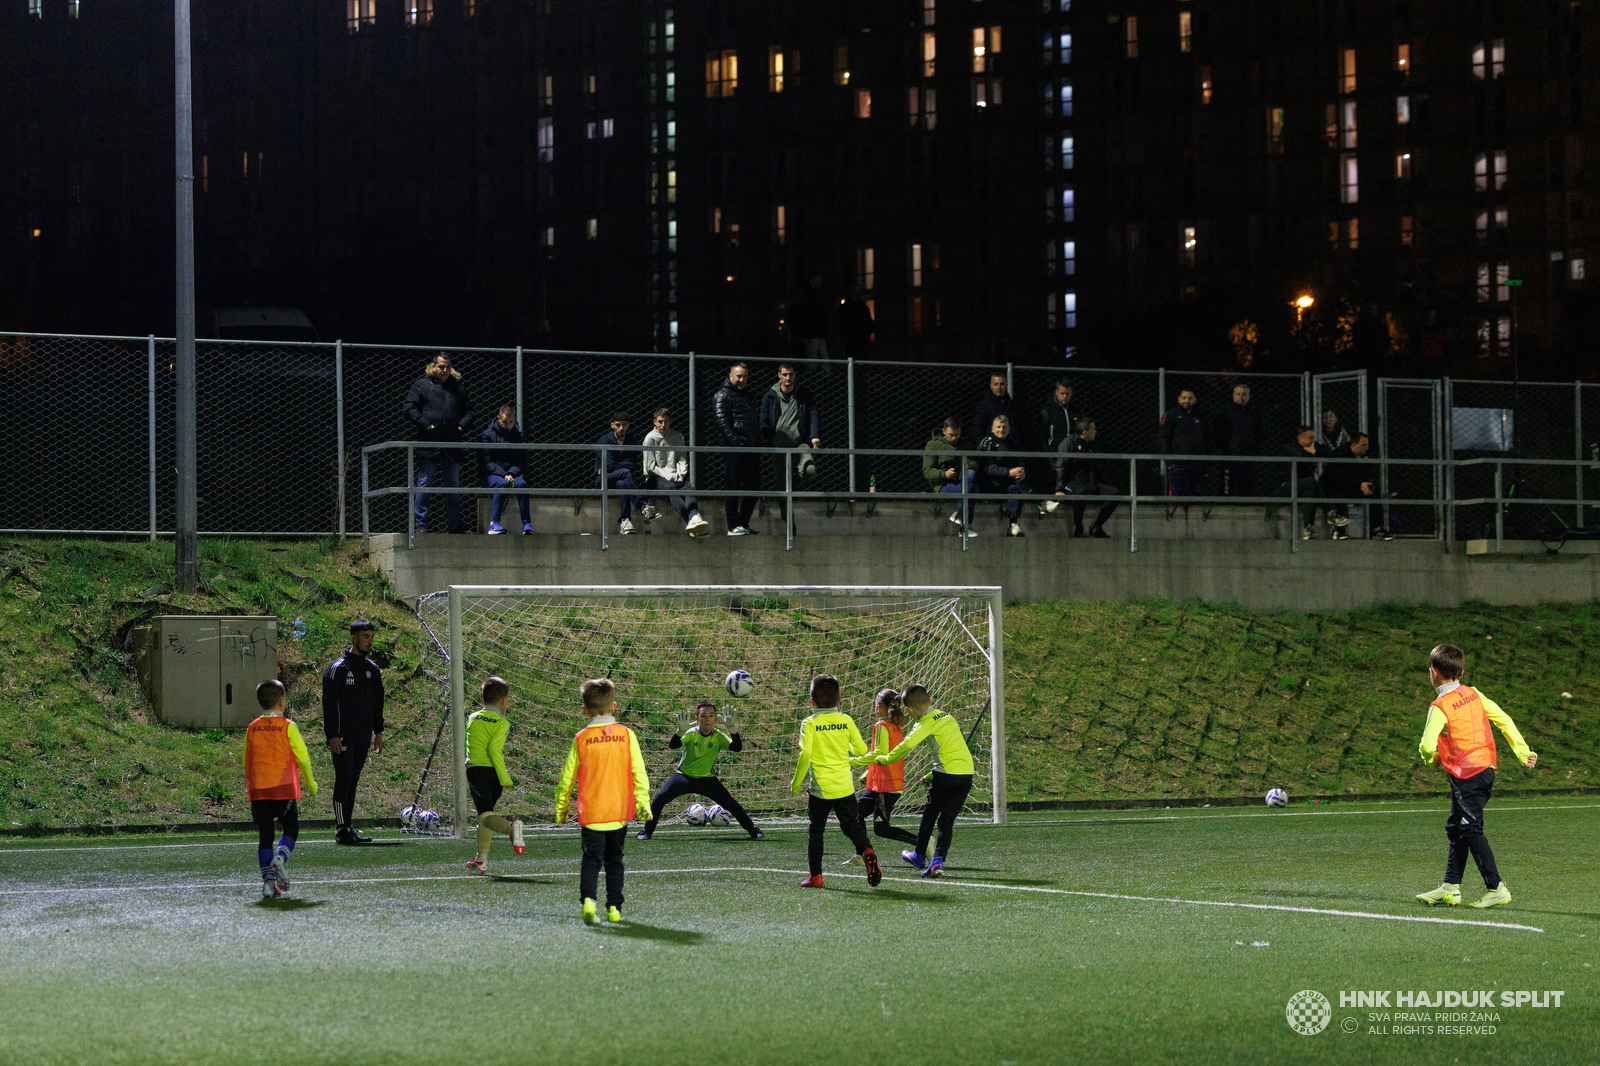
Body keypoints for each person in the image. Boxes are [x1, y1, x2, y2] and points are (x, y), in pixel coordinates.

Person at [1414, 643, 1537, 909]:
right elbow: (1502, 718)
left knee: (1469, 828)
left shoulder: (1440, 706)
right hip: (1486, 769)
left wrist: (1433, 759)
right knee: (1457, 826)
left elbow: (1425, 745)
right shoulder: (1474, 694)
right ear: (1460, 672)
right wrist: (1522, 751)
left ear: (1433, 672)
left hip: (1465, 775)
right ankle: (1450, 886)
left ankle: (1496, 887)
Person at [554, 677, 653, 925]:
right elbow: (639, 773)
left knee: (591, 860)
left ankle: (589, 902)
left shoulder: (581, 738)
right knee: (614, 861)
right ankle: (614, 909)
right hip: (618, 813)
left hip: (592, 814)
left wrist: (561, 808)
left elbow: (567, 777)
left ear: (585, 710)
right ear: (614, 706)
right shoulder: (627, 735)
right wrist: (644, 804)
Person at [853, 683, 974, 879]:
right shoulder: (947, 717)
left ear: (909, 709)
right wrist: (929, 775)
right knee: (946, 821)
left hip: (945, 775)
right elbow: (954, 749)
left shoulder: (924, 723)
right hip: (966, 775)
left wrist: (883, 759)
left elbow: (906, 745)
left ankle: (918, 856)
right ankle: (937, 862)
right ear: (931, 701)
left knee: (929, 814)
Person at [790, 674, 882, 889]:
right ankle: (867, 850)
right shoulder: (846, 720)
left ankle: (816, 877)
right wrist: (843, 753)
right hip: (844, 786)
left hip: (820, 788)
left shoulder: (809, 723)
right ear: (839, 699)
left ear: (812, 701)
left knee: (816, 831)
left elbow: (805, 754)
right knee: (851, 825)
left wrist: (796, 783)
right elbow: (861, 750)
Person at [637, 700, 763, 840]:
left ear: (715, 719)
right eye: (703, 716)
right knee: (659, 799)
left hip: (707, 779)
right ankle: (646, 831)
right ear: (696, 719)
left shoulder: (718, 736)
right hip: (684, 776)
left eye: (711, 716)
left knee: (730, 803)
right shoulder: (691, 733)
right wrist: (679, 732)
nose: (707, 719)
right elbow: (673, 745)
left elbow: (737, 747)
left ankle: (753, 830)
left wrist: (733, 730)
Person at [243, 679, 317, 899]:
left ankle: (268, 884)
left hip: (259, 791)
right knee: (291, 828)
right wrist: (310, 783)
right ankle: (280, 859)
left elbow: (246, 759)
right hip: (283, 788)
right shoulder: (288, 726)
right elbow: (302, 758)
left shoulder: (252, 728)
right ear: (282, 702)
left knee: (265, 836)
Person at [322, 619, 384, 844]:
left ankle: (348, 827)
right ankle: (341, 829)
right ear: (353, 639)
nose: (369, 641)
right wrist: (332, 735)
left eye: (371, 636)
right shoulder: (338, 668)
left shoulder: (372, 670)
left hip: (362, 737)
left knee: (353, 780)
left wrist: (378, 732)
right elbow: (329, 705)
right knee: (344, 779)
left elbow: (378, 704)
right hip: (343, 737)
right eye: (365, 637)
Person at [403, 352, 475, 533]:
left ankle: (455, 525)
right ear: (433, 366)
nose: (444, 370)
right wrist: (424, 424)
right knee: (425, 484)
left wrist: (460, 427)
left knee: (453, 486)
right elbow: (408, 407)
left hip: (452, 443)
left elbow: (470, 411)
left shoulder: (458, 387)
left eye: (447, 367)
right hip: (429, 442)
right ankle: (420, 524)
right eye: (441, 366)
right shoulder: (421, 385)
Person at [843, 688, 918, 860]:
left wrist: (851, 761)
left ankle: (922, 842)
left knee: (881, 828)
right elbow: (886, 755)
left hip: (886, 786)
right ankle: (862, 853)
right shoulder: (896, 727)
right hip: (880, 785)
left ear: (878, 707)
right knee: (856, 813)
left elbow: (879, 754)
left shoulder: (881, 726)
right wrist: (866, 774)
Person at [464, 676, 526, 875]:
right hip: (494, 776)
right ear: (504, 701)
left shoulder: (473, 717)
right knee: (486, 813)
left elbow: (491, 749)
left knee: (485, 815)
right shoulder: (503, 723)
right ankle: (481, 859)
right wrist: (504, 778)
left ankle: (512, 828)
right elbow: (496, 750)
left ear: (483, 700)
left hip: (477, 771)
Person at [640, 407, 711, 536]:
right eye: (660, 421)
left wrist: (680, 475)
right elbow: (650, 467)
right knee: (672, 488)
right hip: (655, 478)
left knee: (688, 487)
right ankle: (690, 520)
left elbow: (682, 459)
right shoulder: (650, 438)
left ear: (670, 421)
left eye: (666, 421)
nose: (663, 425)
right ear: (654, 422)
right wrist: (669, 477)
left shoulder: (677, 436)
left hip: (674, 476)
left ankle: (695, 516)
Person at [712, 361, 761, 535]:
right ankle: (733, 525)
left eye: (745, 376)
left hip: (750, 448)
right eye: (739, 376)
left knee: (754, 486)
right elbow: (721, 421)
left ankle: (743, 523)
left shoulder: (747, 395)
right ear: (730, 376)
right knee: (732, 485)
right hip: (733, 449)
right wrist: (737, 442)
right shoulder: (723, 395)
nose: (742, 379)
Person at [759, 362, 822, 490]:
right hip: (779, 446)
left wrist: (814, 436)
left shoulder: (803, 394)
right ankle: (785, 510)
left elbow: (814, 415)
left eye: (790, 374)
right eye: (785, 375)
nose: (788, 378)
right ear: (779, 375)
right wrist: (767, 436)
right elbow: (763, 417)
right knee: (782, 485)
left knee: (809, 469)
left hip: (799, 443)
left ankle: (795, 483)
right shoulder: (771, 396)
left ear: (795, 375)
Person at [1053, 417, 1118, 538]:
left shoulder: (1092, 445)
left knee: (1114, 493)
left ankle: (1096, 527)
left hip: (1088, 483)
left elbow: (1098, 467)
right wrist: (1059, 489)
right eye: (1093, 429)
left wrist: (1107, 484)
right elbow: (1060, 466)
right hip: (1071, 484)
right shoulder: (1069, 443)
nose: (1096, 432)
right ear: (1084, 432)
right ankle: (1078, 528)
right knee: (1080, 492)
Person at [595, 411, 656, 535]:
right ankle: (642, 505)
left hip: (620, 478)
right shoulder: (604, 441)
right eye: (618, 425)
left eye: (624, 425)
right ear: (612, 425)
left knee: (622, 483)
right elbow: (609, 464)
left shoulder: (632, 442)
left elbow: (631, 465)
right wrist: (617, 468)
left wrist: (614, 468)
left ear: (628, 425)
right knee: (625, 472)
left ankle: (625, 521)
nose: (621, 428)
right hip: (604, 479)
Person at [480, 404, 532, 535]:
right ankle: (494, 524)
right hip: (491, 476)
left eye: (511, 422)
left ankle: (526, 524)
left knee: (522, 485)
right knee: (501, 484)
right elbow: (486, 462)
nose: (508, 425)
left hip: (511, 478)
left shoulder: (518, 436)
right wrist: (503, 474)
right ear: (498, 418)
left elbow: (521, 461)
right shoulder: (487, 435)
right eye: (504, 422)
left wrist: (510, 473)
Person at [977, 415, 1032, 537]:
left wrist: (1022, 472)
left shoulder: (1013, 444)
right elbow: (987, 468)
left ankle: (1013, 525)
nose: (1001, 430)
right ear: (992, 428)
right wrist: (1009, 472)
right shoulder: (987, 443)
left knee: (1015, 486)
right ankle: (1035, 500)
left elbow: (1021, 463)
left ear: (1009, 429)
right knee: (1015, 484)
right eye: (998, 427)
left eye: (1004, 427)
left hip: (1008, 482)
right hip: (990, 482)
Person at [924, 416, 978, 533]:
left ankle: (960, 515)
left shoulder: (964, 444)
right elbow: (927, 471)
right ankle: (965, 527)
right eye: (951, 435)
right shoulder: (933, 445)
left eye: (957, 435)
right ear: (944, 431)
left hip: (961, 480)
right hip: (943, 485)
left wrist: (963, 467)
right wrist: (945, 474)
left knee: (971, 474)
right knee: (973, 490)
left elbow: (973, 464)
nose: (954, 438)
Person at [1320, 432, 1377, 540]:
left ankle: (1377, 529)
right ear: (1354, 445)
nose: (1367, 447)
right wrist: (1359, 484)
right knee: (1340, 492)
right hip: (1333, 486)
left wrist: (1368, 484)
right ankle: (1339, 530)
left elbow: (1371, 472)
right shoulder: (1342, 453)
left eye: (1367, 444)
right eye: (1364, 445)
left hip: (1355, 485)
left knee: (1374, 493)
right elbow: (1340, 476)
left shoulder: (1367, 455)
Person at [1276, 426, 1328, 540]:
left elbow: (1328, 452)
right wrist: (1314, 455)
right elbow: (1301, 455)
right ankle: (1329, 510)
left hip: (1303, 487)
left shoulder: (1311, 447)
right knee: (1311, 481)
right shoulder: (1289, 447)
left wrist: (1315, 452)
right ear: (1300, 438)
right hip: (1286, 485)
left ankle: (1308, 529)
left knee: (1309, 493)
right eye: (1310, 438)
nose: (1313, 441)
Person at [1212, 384, 1263, 498]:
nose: (1241, 397)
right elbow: (1217, 433)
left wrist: (1255, 449)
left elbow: (1260, 434)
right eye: (1238, 394)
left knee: (1246, 486)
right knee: (1227, 486)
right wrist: (1223, 448)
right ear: (1233, 395)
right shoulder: (1225, 412)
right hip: (1229, 456)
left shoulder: (1254, 413)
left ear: (1249, 397)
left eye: (1244, 394)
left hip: (1248, 456)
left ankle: (1244, 509)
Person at [1159, 388, 1209, 498]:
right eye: (1184, 398)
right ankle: (1172, 515)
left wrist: (1206, 461)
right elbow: (1163, 438)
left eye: (1190, 398)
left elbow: (1207, 439)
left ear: (1195, 400)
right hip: (1178, 464)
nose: (1186, 400)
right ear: (1179, 399)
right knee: (1175, 496)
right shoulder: (1171, 415)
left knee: (1198, 496)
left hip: (1197, 464)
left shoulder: (1201, 417)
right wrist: (1169, 462)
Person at [968, 373, 1020, 451]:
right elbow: (977, 428)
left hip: (1011, 447)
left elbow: (1017, 426)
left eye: (1002, 384)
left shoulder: (1012, 405)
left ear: (1006, 385)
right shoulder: (984, 405)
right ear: (991, 386)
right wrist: (985, 444)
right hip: (992, 450)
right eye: (996, 384)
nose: (999, 387)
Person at [790, 273, 831, 363]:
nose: (820, 282)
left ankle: (822, 375)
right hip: (813, 334)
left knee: (822, 359)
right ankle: (815, 375)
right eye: (818, 279)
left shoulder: (816, 295)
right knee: (813, 359)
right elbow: (807, 315)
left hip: (818, 333)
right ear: (811, 281)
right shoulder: (809, 296)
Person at [836, 289, 875, 361]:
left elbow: (839, 322)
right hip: (857, 338)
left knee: (851, 359)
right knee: (859, 359)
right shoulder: (862, 307)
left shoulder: (845, 307)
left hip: (852, 338)